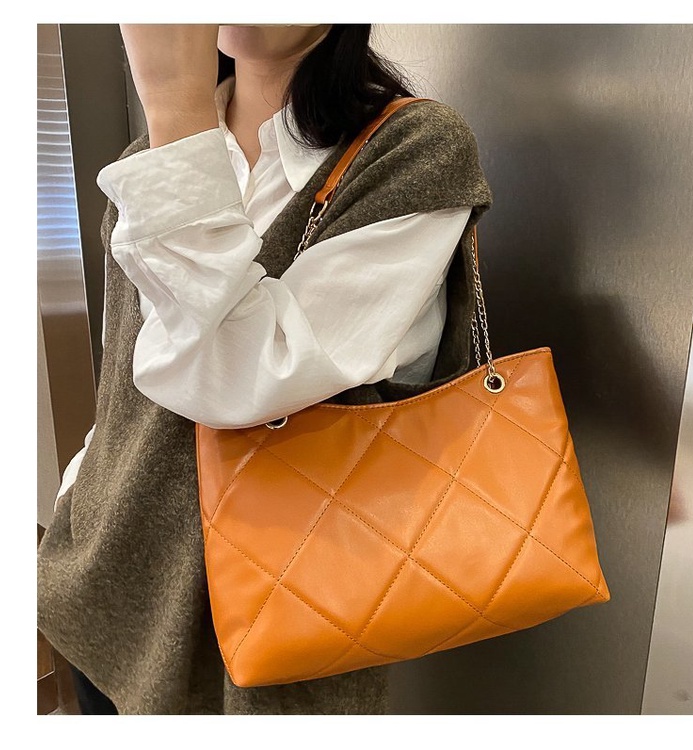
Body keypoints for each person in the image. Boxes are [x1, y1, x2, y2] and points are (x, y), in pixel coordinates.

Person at [37, 24, 492, 715]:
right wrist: (79, 495)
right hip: (102, 596)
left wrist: (176, 105)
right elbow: (124, 372)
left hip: (278, 639)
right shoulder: (148, 156)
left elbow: (237, 376)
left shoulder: (410, 150)